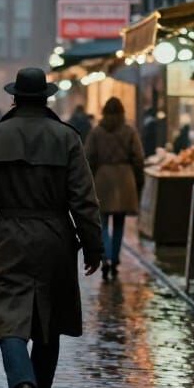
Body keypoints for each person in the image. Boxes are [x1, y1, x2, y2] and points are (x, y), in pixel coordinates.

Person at [0, 67, 103, 388]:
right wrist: (93, 245)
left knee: (9, 318)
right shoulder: (67, 138)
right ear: (45, 98)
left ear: (14, 98)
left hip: (8, 235)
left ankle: (22, 384)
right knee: (49, 322)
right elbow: (84, 200)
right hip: (56, 236)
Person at [84, 96, 145, 280]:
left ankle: (106, 257)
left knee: (102, 224)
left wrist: (91, 179)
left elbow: (88, 157)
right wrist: (138, 179)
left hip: (102, 178)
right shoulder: (129, 131)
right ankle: (115, 259)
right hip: (125, 179)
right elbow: (138, 157)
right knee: (119, 224)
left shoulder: (96, 132)